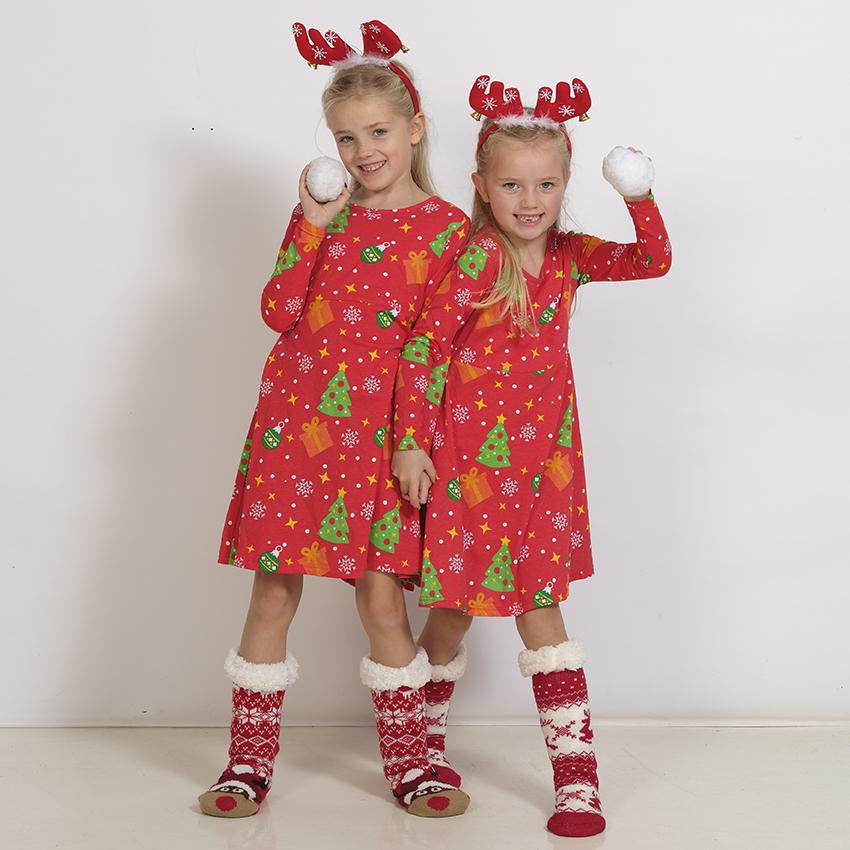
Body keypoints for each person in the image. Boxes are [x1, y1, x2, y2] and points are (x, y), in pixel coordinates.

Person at [198, 21, 470, 819]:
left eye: (378, 132)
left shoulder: (450, 230)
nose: (363, 151)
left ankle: (412, 765)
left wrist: (414, 440)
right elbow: (278, 311)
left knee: (383, 601)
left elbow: (431, 349)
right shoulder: (326, 211)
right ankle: (246, 766)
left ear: (414, 129)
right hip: (297, 422)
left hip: (383, 438)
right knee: (273, 594)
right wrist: (310, 222)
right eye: (347, 137)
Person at [391, 74, 672, 837]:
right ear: (481, 185)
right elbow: (422, 349)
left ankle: (577, 784)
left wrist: (637, 193)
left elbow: (653, 261)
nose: (529, 200)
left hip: (544, 475)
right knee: (448, 618)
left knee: (542, 612)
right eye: (512, 184)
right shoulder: (479, 260)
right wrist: (412, 441)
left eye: (546, 184)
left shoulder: (573, 257)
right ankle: (418, 749)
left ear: (565, 184)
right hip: (468, 472)